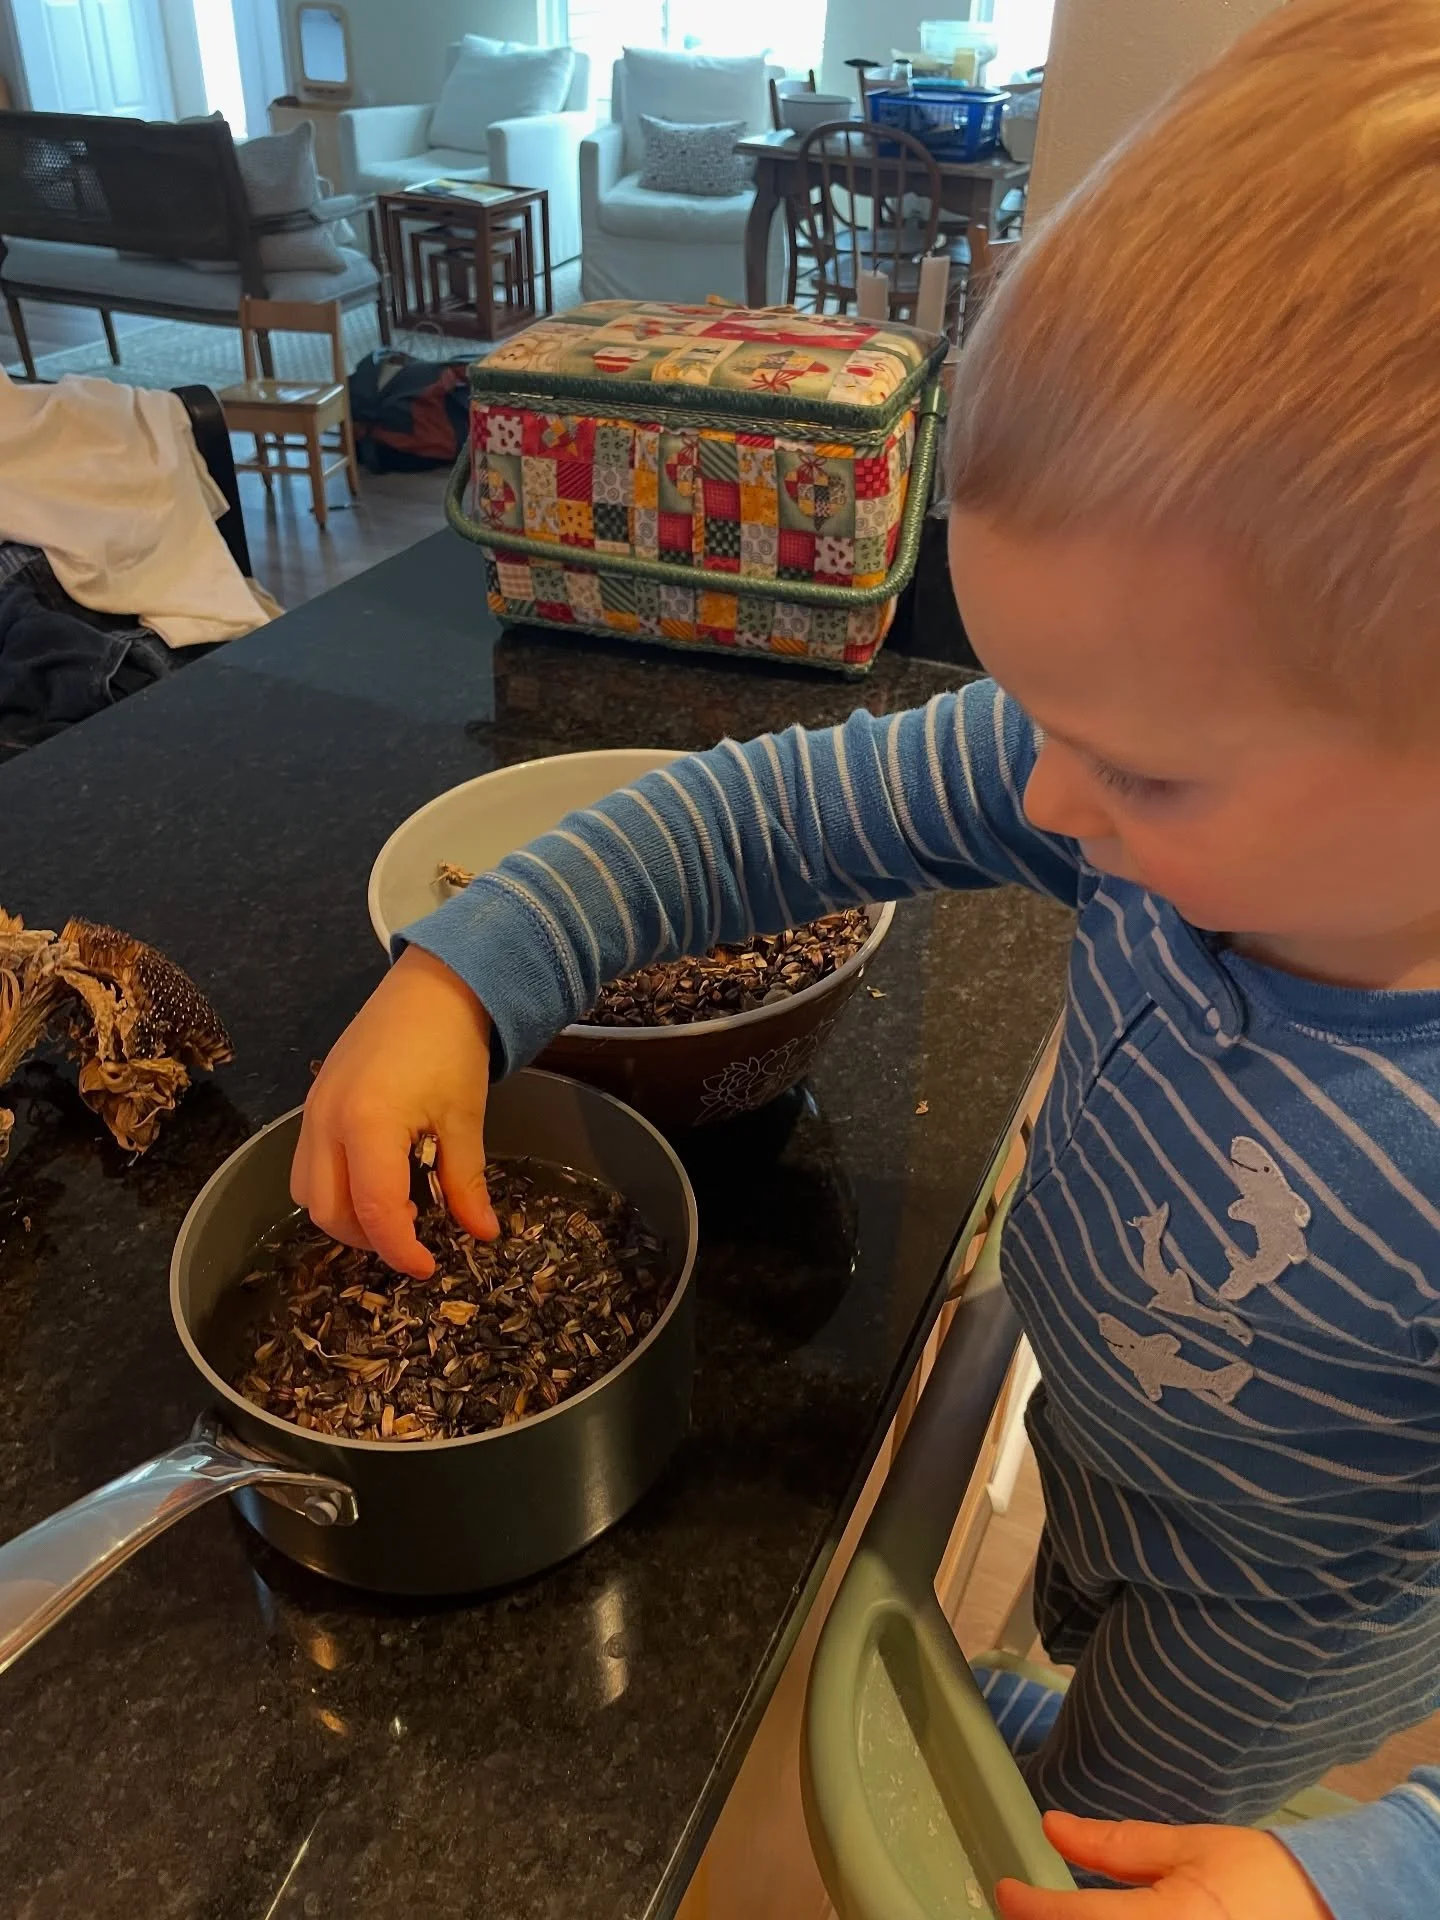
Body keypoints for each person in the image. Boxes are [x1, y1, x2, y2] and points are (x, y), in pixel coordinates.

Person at [291, 1, 1440, 1913]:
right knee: (1066, 1641)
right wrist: (470, 972)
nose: (1043, 795)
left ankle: (1083, 1772)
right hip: (1113, 1433)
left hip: (1281, 1611)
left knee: (1088, 1834)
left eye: (1142, 769)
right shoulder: (1139, 778)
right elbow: (757, 818)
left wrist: (1351, 1881)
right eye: (1035, 709)